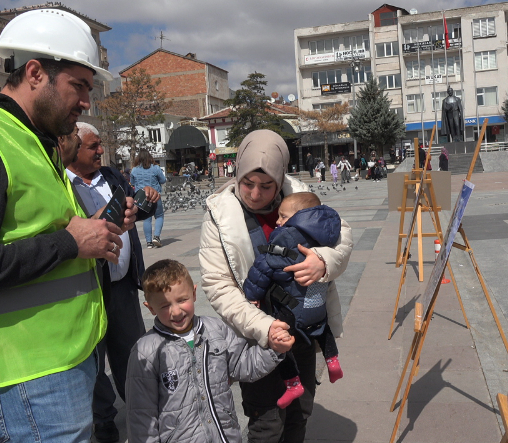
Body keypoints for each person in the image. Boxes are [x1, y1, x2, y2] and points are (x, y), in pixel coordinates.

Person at [0, 9, 139, 442]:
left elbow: (35, 235)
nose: (85, 102)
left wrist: (92, 232)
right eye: (78, 86)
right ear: (35, 73)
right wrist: (69, 244)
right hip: (24, 381)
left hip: (57, 368)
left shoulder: (32, 142)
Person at [199, 129, 353, 442]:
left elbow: (341, 234)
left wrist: (322, 261)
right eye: (247, 183)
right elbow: (219, 287)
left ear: (280, 178)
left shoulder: (301, 197)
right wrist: (265, 328)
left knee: (300, 411)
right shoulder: (219, 215)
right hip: (256, 336)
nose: (255, 194)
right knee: (266, 423)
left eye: (266, 186)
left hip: (303, 328)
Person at [125, 259, 290, 443]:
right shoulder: (146, 351)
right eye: (165, 306)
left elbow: (243, 365)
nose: (176, 311)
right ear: (150, 308)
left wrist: (274, 350)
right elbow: (141, 416)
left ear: (194, 293)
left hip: (224, 437)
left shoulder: (216, 329)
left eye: (182, 300)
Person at [66, 122, 157, 443]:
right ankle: (104, 419)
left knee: (132, 352)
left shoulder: (112, 177)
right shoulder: (63, 184)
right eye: (93, 146)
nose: (101, 151)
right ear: (73, 148)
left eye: (100, 144)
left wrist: (148, 202)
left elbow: (133, 211)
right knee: (93, 359)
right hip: (89, 288)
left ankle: (140, 408)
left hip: (122, 287)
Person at [243, 192, 344, 409]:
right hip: (316, 304)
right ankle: (333, 361)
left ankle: (293, 383)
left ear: (300, 216)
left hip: (292, 308)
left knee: (282, 342)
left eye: (283, 216)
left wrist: (251, 295)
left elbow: (264, 266)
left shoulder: (286, 237)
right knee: (322, 327)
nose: (278, 221)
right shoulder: (329, 230)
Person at [131, 149, 167, 248]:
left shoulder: (134, 170)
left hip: (141, 197)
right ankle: (156, 237)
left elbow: (133, 183)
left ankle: (149, 242)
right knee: (159, 216)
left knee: (146, 218)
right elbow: (163, 180)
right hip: (155, 195)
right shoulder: (155, 168)